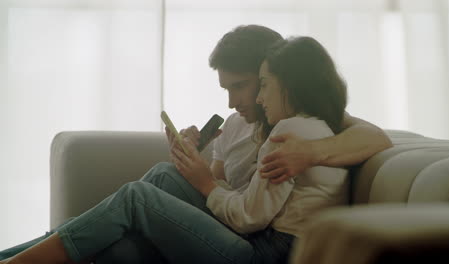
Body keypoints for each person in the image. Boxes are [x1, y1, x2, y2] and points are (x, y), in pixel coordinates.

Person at [0, 25, 392, 263]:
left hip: (254, 239)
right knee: (161, 175)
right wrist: (195, 163)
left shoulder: (300, 128)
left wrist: (311, 153)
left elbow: (377, 137)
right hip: (241, 228)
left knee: (135, 200)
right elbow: (221, 197)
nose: (241, 101)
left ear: (271, 76)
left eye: (246, 86)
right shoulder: (247, 124)